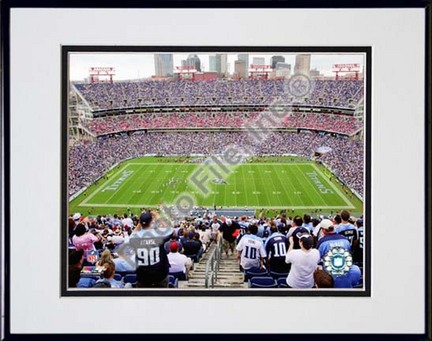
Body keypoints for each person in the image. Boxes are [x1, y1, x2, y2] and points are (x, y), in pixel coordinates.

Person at [129, 211, 172, 288]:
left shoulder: (134, 238)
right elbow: (170, 229)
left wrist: (141, 222)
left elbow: (133, 234)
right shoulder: (158, 234)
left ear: (140, 223)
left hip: (143, 278)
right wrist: (158, 217)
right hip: (160, 276)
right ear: (152, 221)